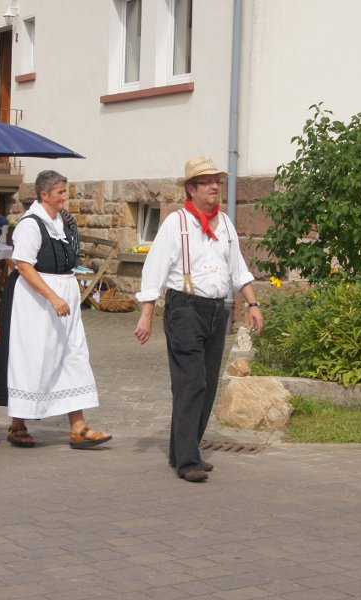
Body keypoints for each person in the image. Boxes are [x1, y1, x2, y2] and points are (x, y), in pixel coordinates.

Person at [133, 156, 264, 483]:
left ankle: (183, 449)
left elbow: (239, 269)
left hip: (216, 312)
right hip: (185, 310)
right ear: (191, 189)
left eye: (216, 181)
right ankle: (188, 460)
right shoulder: (176, 223)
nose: (215, 187)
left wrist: (253, 303)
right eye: (207, 182)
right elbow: (155, 271)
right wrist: (147, 315)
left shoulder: (226, 224)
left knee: (205, 386)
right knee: (191, 382)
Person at [0, 170, 111, 449]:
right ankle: (18, 423)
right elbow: (22, 265)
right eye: (60, 192)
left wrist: (67, 293)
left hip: (64, 294)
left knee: (74, 354)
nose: (64, 197)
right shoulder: (30, 225)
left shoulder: (63, 223)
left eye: (64, 191)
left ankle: (79, 427)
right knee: (34, 357)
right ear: (44, 194)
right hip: (35, 300)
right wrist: (52, 297)